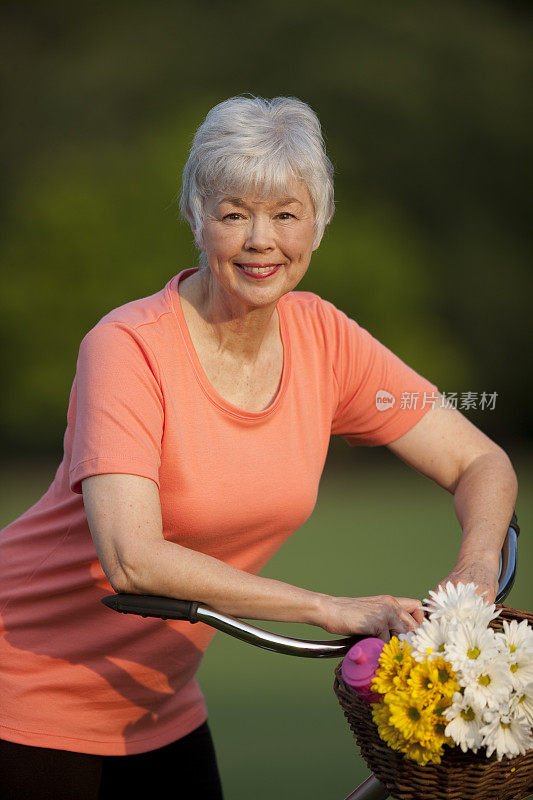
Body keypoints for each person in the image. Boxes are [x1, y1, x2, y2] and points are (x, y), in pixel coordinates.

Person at [0, 95, 517, 799]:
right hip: (22, 685)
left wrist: (475, 567)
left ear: (318, 223)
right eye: (233, 212)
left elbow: (476, 459)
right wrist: (327, 607)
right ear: (195, 217)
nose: (259, 240)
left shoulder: (325, 339)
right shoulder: (126, 349)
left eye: (284, 213)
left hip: (158, 701)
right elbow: (130, 556)